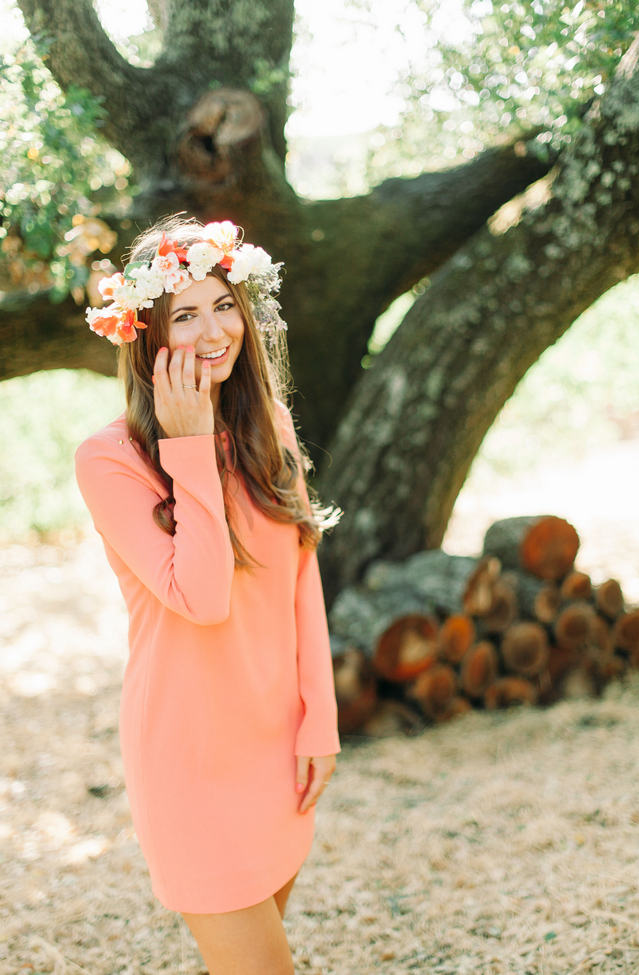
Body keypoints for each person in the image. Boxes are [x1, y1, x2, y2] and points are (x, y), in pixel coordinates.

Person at [74, 213, 342, 974]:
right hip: (188, 756)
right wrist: (187, 444)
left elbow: (301, 578)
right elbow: (202, 597)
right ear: (147, 335)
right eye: (184, 314)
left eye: (224, 303)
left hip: (275, 747)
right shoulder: (107, 459)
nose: (214, 329)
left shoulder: (271, 425)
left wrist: (318, 717)